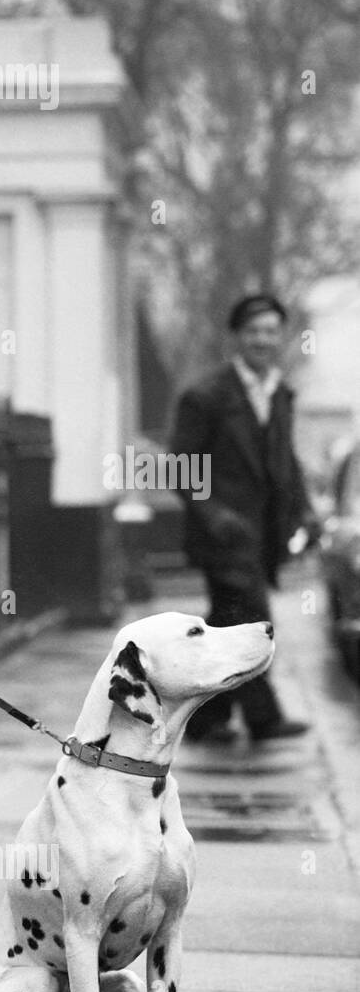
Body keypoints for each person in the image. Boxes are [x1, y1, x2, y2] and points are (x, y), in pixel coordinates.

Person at [168, 292, 316, 743]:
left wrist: (304, 510)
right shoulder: (206, 396)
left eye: (272, 331)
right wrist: (215, 514)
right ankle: (263, 717)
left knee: (228, 622)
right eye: (254, 332)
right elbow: (181, 464)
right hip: (224, 537)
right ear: (237, 337)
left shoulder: (280, 392)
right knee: (251, 619)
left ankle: (206, 719)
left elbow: (284, 459)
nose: (264, 340)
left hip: (264, 534)